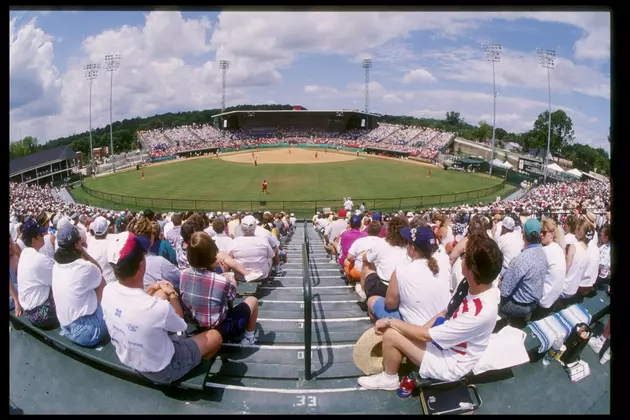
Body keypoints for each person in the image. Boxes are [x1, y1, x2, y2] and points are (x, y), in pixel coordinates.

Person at [357, 234, 503, 390]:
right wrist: (417, 331)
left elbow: (426, 336)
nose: (462, 257)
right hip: (447, 348)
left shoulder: (480, 311)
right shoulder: (473, 285)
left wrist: (390, 322)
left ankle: (389, 379)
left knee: (391, 334)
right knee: (401, 331)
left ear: (472, 271)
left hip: (450, 363)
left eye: (464, 256)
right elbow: (444, 313)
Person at [101, 233, 223, 385]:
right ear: (141, 266)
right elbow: (181, 325)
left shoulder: (108, 290)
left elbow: (135, 303)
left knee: (159, 294)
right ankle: (195, 366)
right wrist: (172, 294)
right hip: (163, 369)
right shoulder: (157, 309)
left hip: (130, 357)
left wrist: (152, 289)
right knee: (215, 336)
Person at [180, 232, 259, 345]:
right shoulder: (222, 281)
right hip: (222, 330)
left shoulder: (183, 274)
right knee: (253, 300)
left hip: (195, 326)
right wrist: (228, 275)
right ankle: (249, 337)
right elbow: (231, 301)